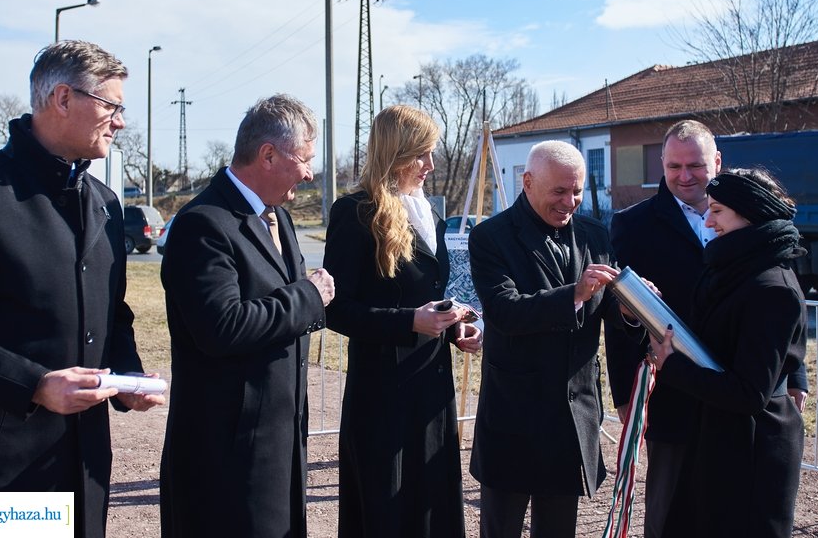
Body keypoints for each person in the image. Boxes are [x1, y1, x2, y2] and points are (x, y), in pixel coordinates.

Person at [0, 40, 164, 538]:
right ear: (62, 99)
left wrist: (128, 381)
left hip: (82, 464)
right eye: (111, 105)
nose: (120, 121)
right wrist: (34, 385)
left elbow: (113, 310)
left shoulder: (104, 204)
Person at [604, 120, 808, 538]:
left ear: (717, 162)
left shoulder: (766, 254)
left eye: (695, 165)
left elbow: (783, 318)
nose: (684, 176)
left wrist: (794, 374)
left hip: (739, 404)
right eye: (673, 166)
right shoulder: (633, 225)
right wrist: (627, 391)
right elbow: (620, 313)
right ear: (661, 164)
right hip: (678, 400)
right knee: (673, 514)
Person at [159, 94, 335, 538]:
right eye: (305, 159)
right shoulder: (205, 223)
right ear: (268, 155)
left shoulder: (279, 217)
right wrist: (309, 298)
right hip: (227, 453)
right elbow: (222, 327)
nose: (311, 173)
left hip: (279, 441)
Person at [468, 140, 640, 538]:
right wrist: (575, 294)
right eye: (560, 191)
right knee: (502, 528)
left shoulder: (596, 233)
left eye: (577, 190)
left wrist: (632, 307)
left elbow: (609, 310)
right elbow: (505, 311)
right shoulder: (491, 237)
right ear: (528, 182)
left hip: (572, 415)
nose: (571, 201)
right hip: (514, 414)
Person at [323, 105, 481, 537]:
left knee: (432, 506)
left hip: (432, 389)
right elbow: (334, 309)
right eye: (422, 155)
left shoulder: (429, 214)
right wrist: (409, 322)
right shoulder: (354, 212)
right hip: (382, 392)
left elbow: (426, 298)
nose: (430, 165)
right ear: (395, 153)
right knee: (387, 510)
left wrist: (454, 329)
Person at [648, 167, 807, 538]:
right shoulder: (729, 268)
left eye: (717, 210)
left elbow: (749, 393)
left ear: (749, 214)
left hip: (753, 452)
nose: (708, 218)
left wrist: (671, 366)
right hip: (720, 436)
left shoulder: (773, 289)